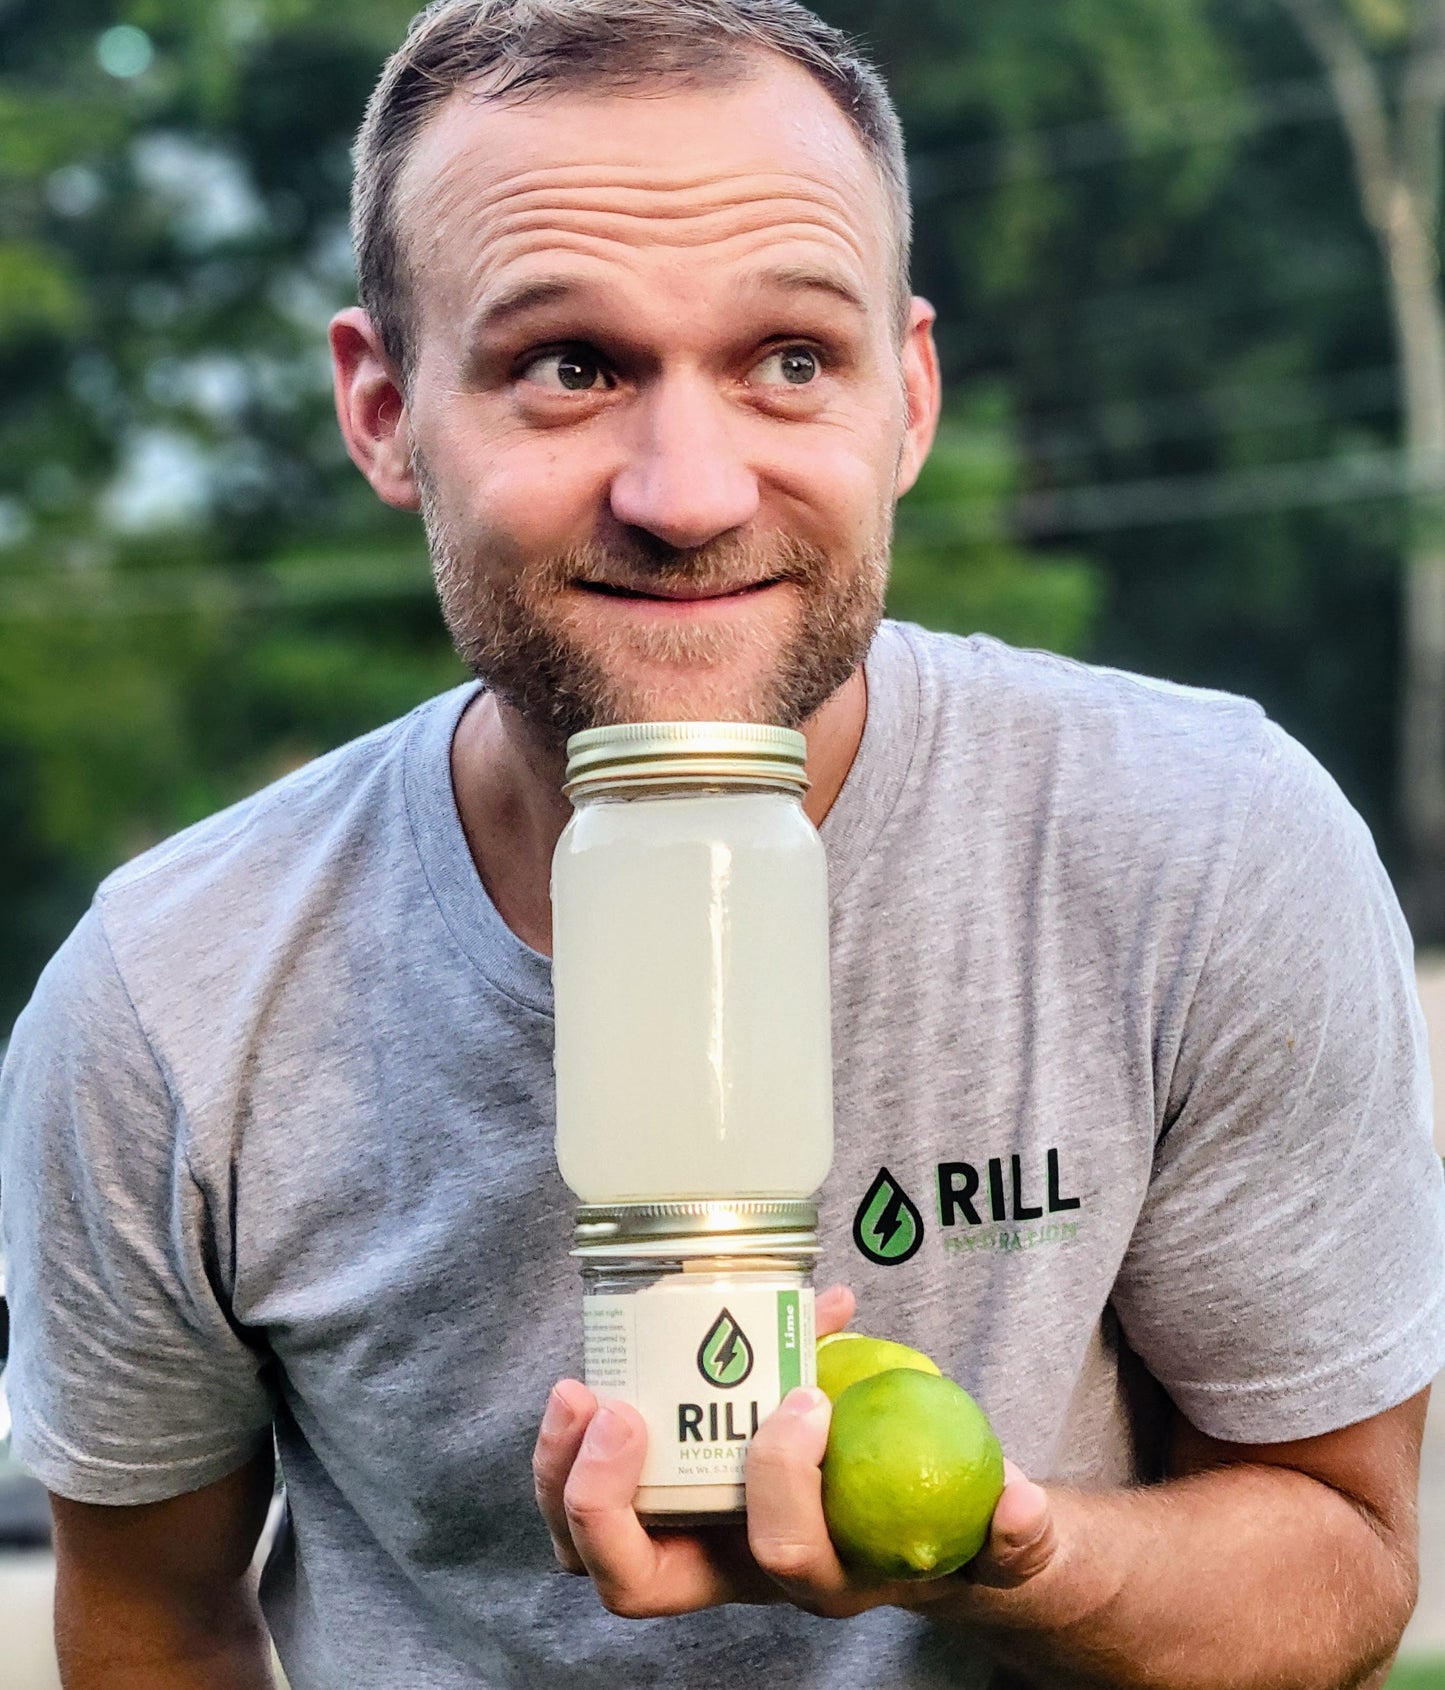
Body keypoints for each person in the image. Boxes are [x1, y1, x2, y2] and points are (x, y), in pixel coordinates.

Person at [2, 1, 1443, 1685]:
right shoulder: (175, 997)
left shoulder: (1201, 852)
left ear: (903, 399)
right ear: (385, 408)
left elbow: (1344, 1554)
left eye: (787, 360)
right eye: (570, 365)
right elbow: (157, 1615)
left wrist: (1010, 1558)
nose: (685, 491)